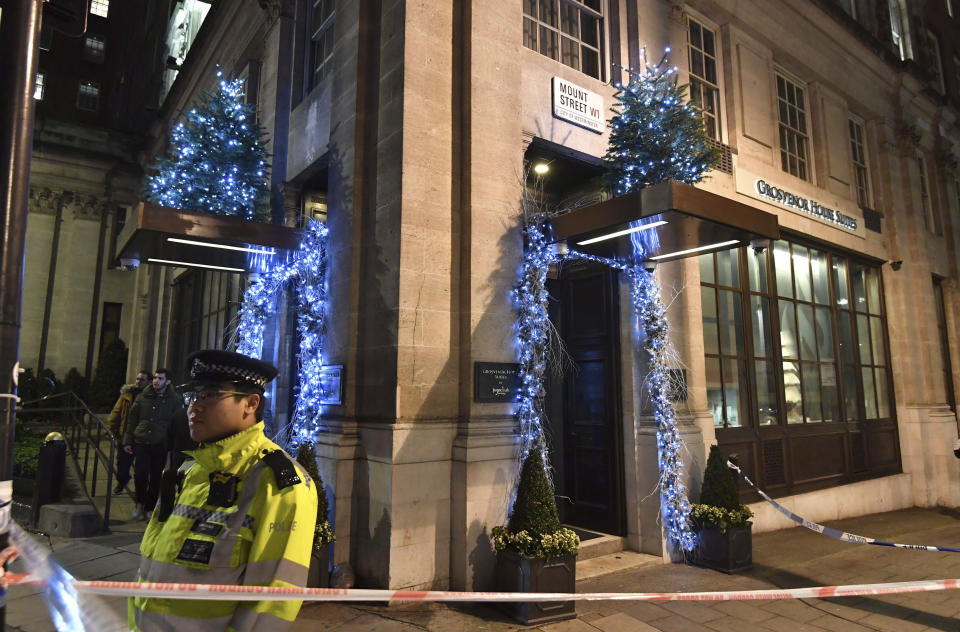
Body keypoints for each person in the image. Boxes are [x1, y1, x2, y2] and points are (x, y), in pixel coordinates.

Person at [128, 349, 318, 631]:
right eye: (194, 396)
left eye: (211, 394)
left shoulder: (276, 484)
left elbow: (270, 604)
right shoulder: (188, 471)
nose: (194, 406)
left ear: (251, 403)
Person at [122, 368, 182, 520]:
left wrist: (173, 443)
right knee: (140, 475)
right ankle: (140, 503)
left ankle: (150, 506)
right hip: (142, 441)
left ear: (168, 381)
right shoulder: (143, 396)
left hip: (160, 443)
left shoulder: (174, 400)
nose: (156, 381)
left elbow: (176, 423)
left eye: (160, 378)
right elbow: (132, 419)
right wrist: (127, 440)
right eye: (155, 378)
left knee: (156, 477)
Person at [107, 370, 150, 494]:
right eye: (137, 379)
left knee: (141, 467)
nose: (138, 381)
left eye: (142, 379)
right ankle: (122, 481)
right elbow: (116, 412)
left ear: (148, 382)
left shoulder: (151, 396)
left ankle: (141, 491)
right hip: (126, 435)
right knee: (122, 465)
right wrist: (113, 429)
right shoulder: (126, 395)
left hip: (142, 437)